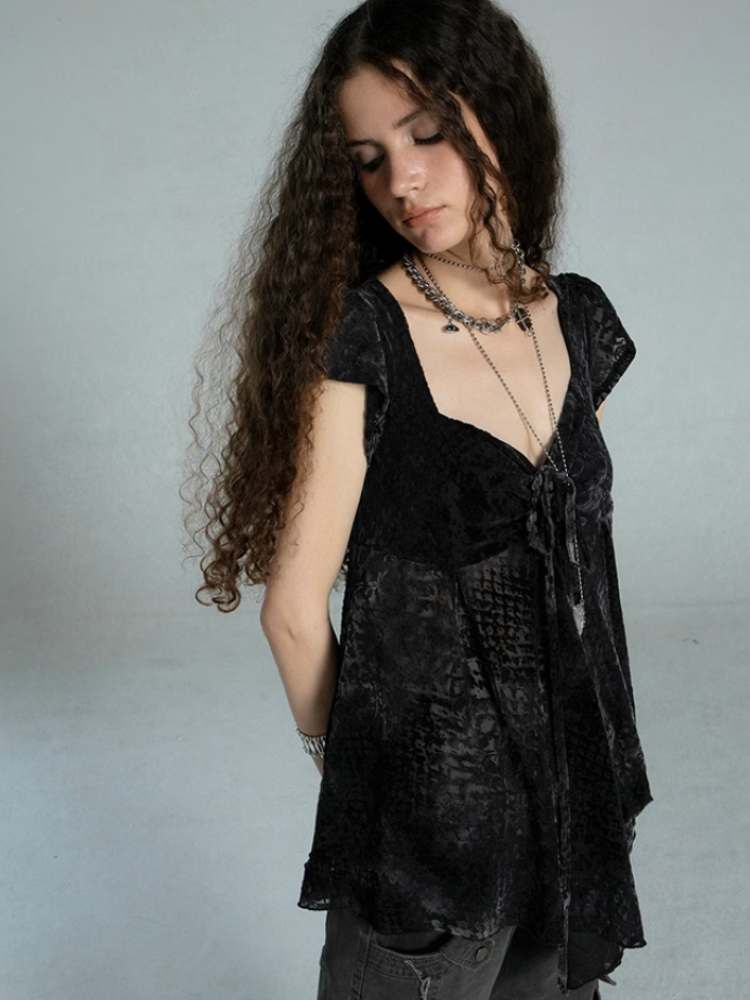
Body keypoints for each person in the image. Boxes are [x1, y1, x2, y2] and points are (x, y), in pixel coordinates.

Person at [183, 1, 654, 997]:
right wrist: (367, 790)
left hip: (572, 822)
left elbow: (578, 573)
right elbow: (291, 611)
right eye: (369, 159)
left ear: (499, 112)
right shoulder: (367, 341)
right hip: (430, 847)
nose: (401, 180)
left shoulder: (578, 319)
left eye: (427, 134)